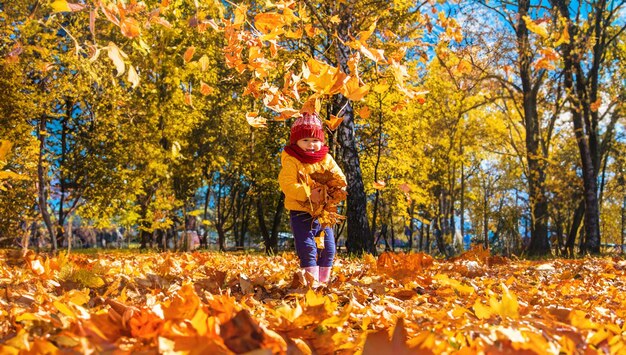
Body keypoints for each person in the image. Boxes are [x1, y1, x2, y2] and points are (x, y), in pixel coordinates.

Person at [278, 112, 347, 284]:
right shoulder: (292, 160)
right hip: (301, 212)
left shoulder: (326, 159)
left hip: (323, 214)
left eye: (315, 140)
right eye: (305, 140)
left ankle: (322, 283)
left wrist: (335, 189)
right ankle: (311, 283)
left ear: (322, 141)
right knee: (308, 248)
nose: (311, 144)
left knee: (328, 249)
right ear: (296, 142)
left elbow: (340, 179)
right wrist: (309, 193)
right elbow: (287, 185)